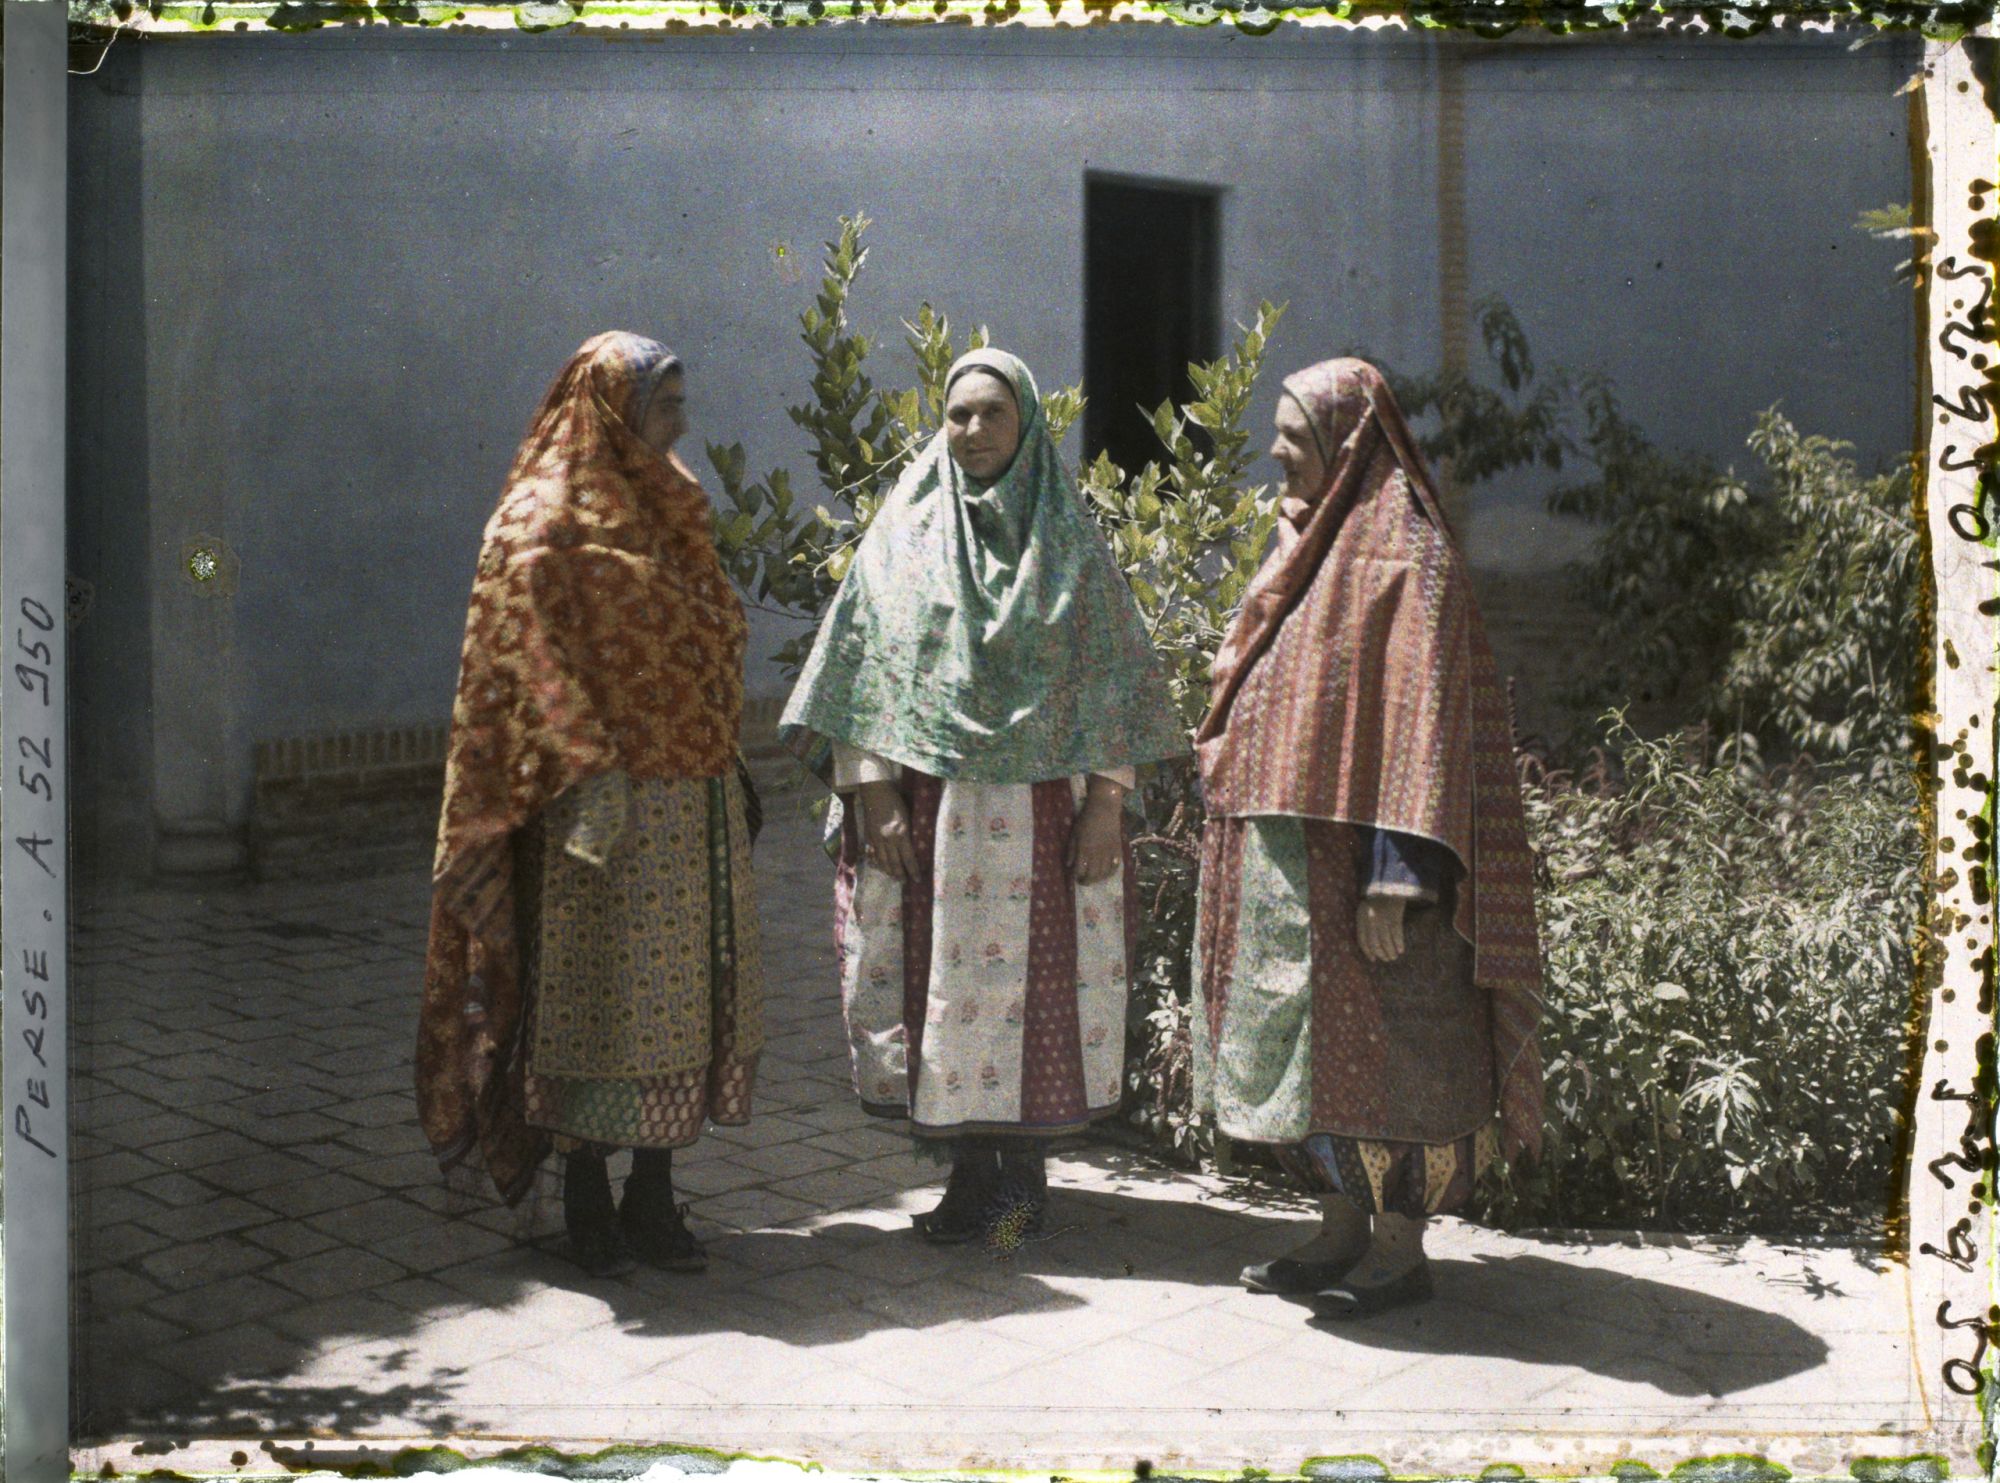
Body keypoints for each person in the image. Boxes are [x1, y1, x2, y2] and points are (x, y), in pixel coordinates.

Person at [780, 349, 1184, 1244]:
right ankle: (969, 1178)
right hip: (934, 814)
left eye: (990, 414)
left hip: (1042, 817)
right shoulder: (906, 534)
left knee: (1035, 986)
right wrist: (874, 791)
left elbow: (1112, 673)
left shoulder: (1066, 538)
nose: (969, 432)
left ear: (1027, 423)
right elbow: (860, 660)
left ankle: (1024, 1178)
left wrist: (1107, 806)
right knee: (943, 985)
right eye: (956, 415)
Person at [1191, 356, 1543, 1318]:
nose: (1273, 451)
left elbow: (1425, 720)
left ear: (1348, 444)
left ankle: (1399, 1249)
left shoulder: (1405, 555)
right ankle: (1339, 1228)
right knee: (1315, 1057)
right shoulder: (1305, 547)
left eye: (1295, 436)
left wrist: (1397, 875)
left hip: (1378, 876)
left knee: (1396, 1060)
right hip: (1303, 865)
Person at [416, 332, 764, 1279]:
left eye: (682, 405)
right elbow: (520, 660)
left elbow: (714, 634)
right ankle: (583, 1199)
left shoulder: (672, 504)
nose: (681, 424)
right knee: (597, 1008)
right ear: (611, 408)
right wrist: (589, 769)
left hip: (691, 800)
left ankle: (653, 1191)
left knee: (683, 1007)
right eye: (664, 407)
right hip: (594, 812)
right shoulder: (537, 522)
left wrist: (722, 751)